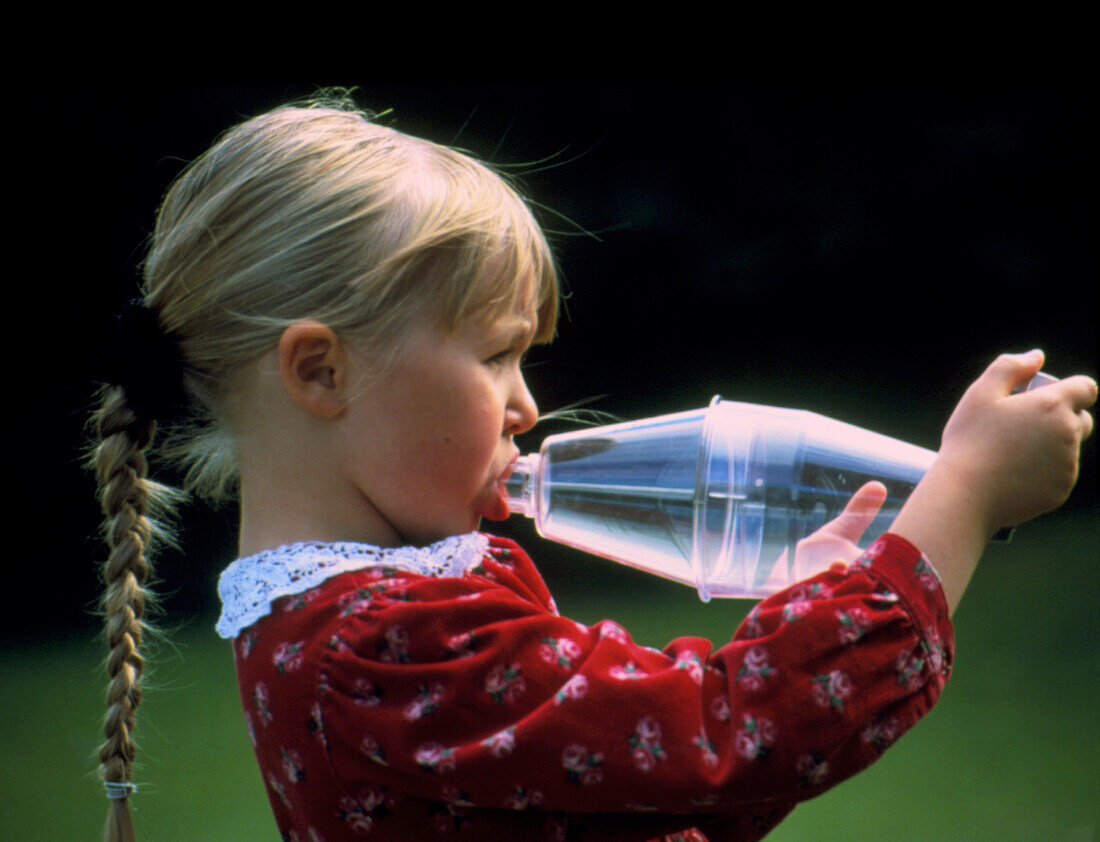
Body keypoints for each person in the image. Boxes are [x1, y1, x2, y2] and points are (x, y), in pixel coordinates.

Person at [90, 91, 1097, 842]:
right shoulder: (378, 643)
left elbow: (643, 785)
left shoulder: (372, 609)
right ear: (320, 370)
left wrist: (799, 620)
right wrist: (958, 494)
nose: (526, 403)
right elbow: (717, 732)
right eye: (494, 355)